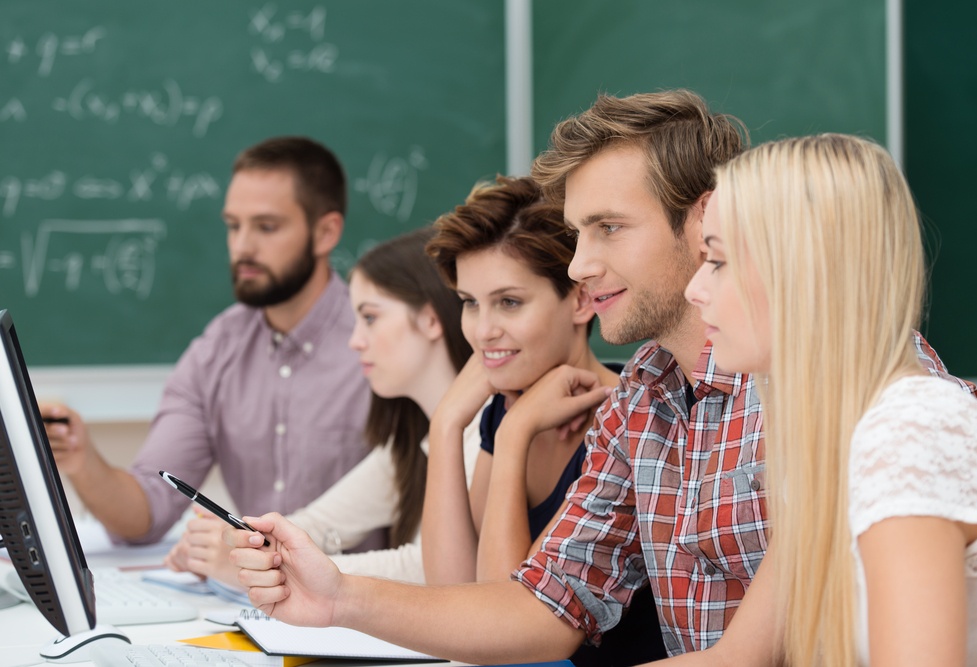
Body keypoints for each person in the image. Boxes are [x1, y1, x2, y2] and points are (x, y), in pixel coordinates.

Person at [223, 91, 977, 665]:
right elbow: (543, 602)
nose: (579, 265)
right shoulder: (642, 396)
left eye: (608, 228)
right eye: (577, 233)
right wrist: (340, 596)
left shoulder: (845, 386)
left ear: (703, 217)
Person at [676, 134, 977, 666]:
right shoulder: (836, 438)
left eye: (717, 260)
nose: (696, 289)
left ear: (802, 272)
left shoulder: (910, 433)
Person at [40, 136, 373, 545]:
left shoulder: (379, 340)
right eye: (234, 226)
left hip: (365, 598)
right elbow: (146, 515)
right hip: (249, 601)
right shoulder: (217, 349)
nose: (242, 247)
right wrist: (81, 460)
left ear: (325, 232)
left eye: (266, 227)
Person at [420, 175, 665, 666]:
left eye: (509, 302)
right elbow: (455, 595)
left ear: (579, 300)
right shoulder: (506, 409)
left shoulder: (629, 417)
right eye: (470, 303)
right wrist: (445, 425)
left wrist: (513, 439)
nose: (483, 330)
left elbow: (503, 629)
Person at [163, 227, 481, 584]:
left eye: (371, 318)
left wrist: (274, 566)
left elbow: (430, 570)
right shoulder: (411, 439)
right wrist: (240, 542)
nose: (355, 341)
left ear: (430, 320)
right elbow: (320, 523)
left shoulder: (483, 433)